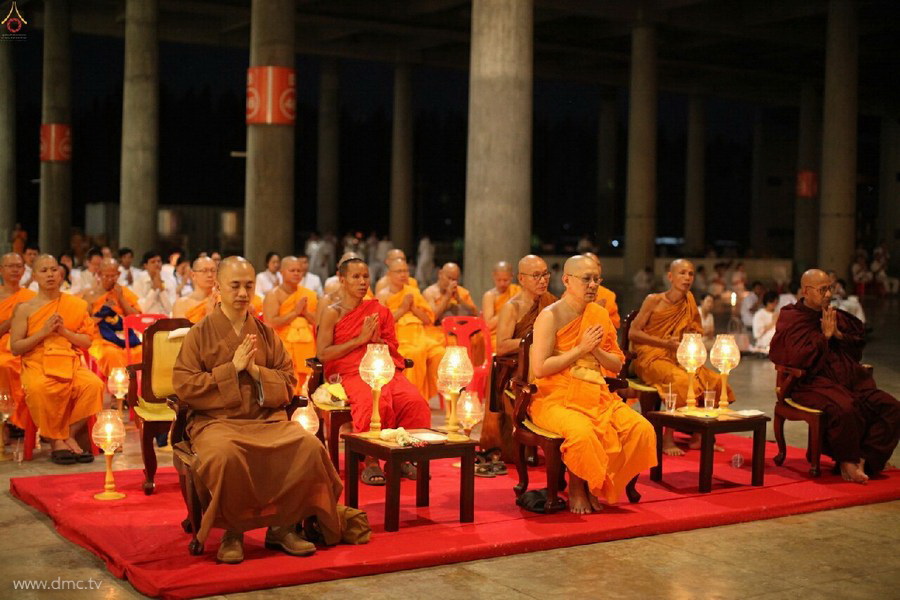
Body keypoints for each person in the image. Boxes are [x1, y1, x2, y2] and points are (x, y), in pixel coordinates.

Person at [173, 256, 344, 563]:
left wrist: (255, 372)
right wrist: (231, 369)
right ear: (219, 286)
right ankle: (233, 532)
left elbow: (288, 378)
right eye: (234, 285)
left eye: (248, 286)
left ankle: (282, 527)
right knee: (225, 455)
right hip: (217, 423)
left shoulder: (265, 333)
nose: (242, 293)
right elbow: (184, 385)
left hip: (265, 420)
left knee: (307, 446)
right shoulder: (199, 333)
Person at [529, 255, 656, 514]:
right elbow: (540, 369)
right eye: (586, 279)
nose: (593, 285)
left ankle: (598, 485)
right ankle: (577, 488)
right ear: (566, 280)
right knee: (583, 433)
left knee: (641, 429)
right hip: (555, 396)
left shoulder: (598, 313)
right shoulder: (549, 316)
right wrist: (580, 349)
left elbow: (617, 364)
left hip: (597, 393)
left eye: (597, 279)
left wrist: (595, 350)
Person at [769, 269, 899, 483]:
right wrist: (824, 337)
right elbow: (791, 356)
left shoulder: (832, 316)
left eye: (830, 288)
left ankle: (865, 459)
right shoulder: (792, 316)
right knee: (845, 408)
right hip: (809, 384)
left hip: (846, 381)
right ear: (805, 291)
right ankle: (848, 461)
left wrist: (838, 335)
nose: (828, 294)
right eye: (822, 290)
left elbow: (857, 345)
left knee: (890, 407)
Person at [316, 258, 431, 485]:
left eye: (365, 277)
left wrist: (377, 340)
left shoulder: (379, 311)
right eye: (355, 277)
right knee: (374, 402)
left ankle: (402, 458)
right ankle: (371, 460)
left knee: (414, 401)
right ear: (342, 279)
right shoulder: (333, 312)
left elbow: (392, 347)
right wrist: (359, 340)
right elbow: (323, 353)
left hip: (382, 368)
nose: (362, 282)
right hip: (350, 372)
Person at [630, 259, 735, 455]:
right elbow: (633, 333)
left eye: (691, 274)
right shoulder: (653, 300)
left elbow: (696, 331)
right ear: (670, 276)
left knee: (714, 381)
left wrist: (687, 341)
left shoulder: (690, 301)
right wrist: (665, 343)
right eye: (682, 273)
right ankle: (667, 439)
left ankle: (699, 436)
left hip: (680, 355)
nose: (687, 278)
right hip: (651, 357)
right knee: (680, 382)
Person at [10, 255, 103, 465]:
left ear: (61, 274)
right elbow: (16, 348)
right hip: (37, 362)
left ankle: (66, 436)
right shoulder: (25, 308)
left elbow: (87, 342)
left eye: (53, 270)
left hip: (68, 359)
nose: (50, 274)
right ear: (34, 276)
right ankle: (56, 441)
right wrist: (43, 332)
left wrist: (63, 331)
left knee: (93, 385)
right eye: (44, 271)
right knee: (40, 388)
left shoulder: (75, 305)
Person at [482, 254, 556, 462]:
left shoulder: (551, 303)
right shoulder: (511, 307)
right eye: (536, 276)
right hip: (518, 366)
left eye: (545, 275)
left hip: (545, 362)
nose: (543, 280)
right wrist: (534, 341)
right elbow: (503, 345)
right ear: (522, 279)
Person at [376, 257, 444, 401]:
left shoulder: (413, 292)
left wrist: (413, 308)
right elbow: (382, 324)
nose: (403, 274)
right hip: (399, 337)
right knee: (413, 354)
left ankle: (424, 396)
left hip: (419, 334)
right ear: (389, 274)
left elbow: (428, 320)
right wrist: (402, 309)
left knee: (440, 353)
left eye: (406, 271)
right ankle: (411, 398)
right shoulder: (382, 296)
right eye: (399, 271)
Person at [264, 256, 318, 394]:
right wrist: (295, 312)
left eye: (299, 271)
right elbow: (270, 322)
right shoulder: (273, 295)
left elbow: (318, 322)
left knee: (306, 388)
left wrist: (305, 312)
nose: (296, 273)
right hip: (283, 347)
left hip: (306, 346)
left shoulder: (308, 295)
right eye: (292, 270)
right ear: (281, 272)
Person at [83, 258, 142, 376]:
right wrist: (104, 313)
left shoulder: (124, 292)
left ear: (119, 274)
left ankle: (138, 388)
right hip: (101, 340)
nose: (110, 280)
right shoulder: (90, 296)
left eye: (113, 276)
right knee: (111, 354)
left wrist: (121, 299)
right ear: (99, 274)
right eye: (106, 276)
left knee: (145, 352)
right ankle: (119, 390)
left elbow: (136, 319)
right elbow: (84, 322)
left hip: (127, 338)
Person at [0, 253, 37, 431]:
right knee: (5, 365)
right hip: (3, 348)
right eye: (10, 266)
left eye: (18, 266)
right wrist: (11, 321)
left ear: (24, 270)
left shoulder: (30, 296)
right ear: (1, 270)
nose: (15, 270)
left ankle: (31, 420)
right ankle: (6, 421)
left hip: (25, 346)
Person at [481, 261, 520, 345]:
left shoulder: (517, 291)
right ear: (493, 276)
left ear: (511, 277)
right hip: (495, 336)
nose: (502, 283)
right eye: (499, 280)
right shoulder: (489, 296)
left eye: (505, 280)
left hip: (515, 332)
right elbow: (489, 324)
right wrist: (507, 308)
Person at [173, 257, 218, 323]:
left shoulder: (222, 300)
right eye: (204, 271)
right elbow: (183, 332)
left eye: (213, 270)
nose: (210, 275)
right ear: (193, 275)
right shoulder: (181, 304)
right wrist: (208, 316)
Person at [132, 250, 177, 316]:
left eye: (159, 261)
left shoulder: (170, 279)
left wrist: (161, 290)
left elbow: (171, 309)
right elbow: (142, 309)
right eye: (153, 262)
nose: (157, 264)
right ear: (145, 265)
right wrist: (154, 290)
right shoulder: (138, 282)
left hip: (165, 319)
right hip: (146, 320)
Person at [582, 253, 620, 329]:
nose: (596, 268)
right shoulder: (572, 292)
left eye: (598, 265)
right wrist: (594, 309)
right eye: (592, 264)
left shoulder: (608, 295)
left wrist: (599, 314)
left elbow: (615, 325)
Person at [751, 290, 779, 355]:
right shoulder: (759, 314)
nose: (774, 305)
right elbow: (757, 334)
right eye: (772, 302)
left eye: (776, 302)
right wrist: (773, 322)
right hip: (764, 342)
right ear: (766, 302)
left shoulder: (777, 313)